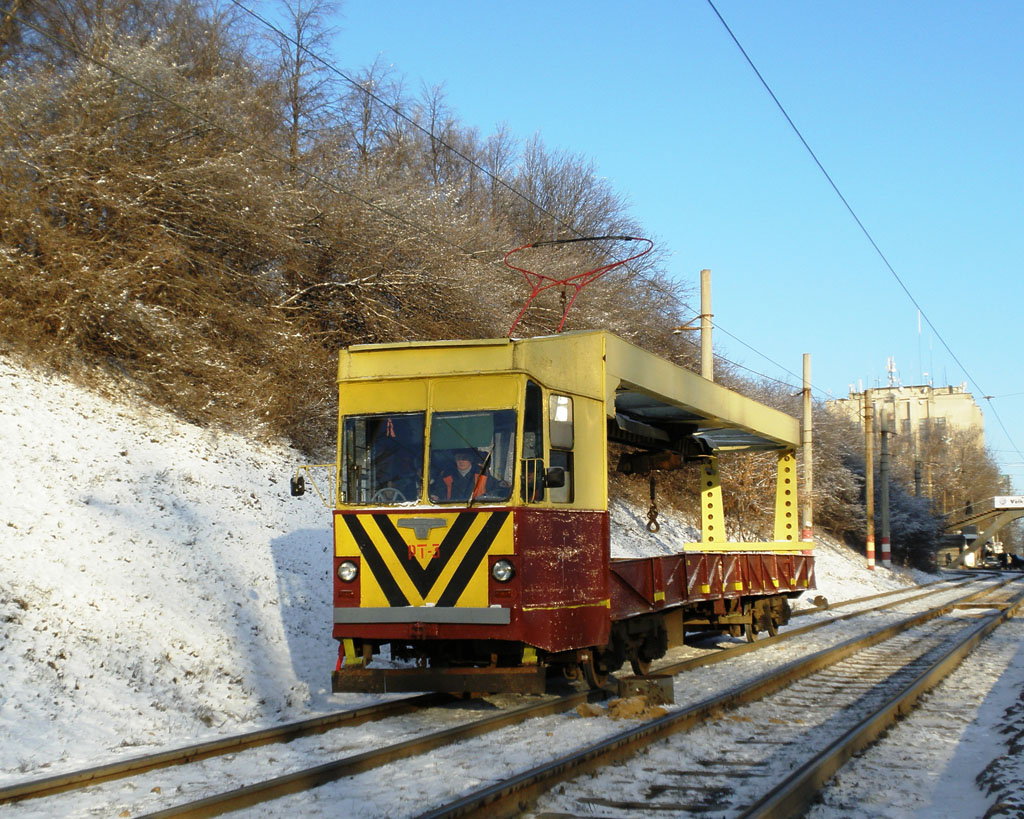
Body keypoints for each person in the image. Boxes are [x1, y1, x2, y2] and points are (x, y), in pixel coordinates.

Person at [431, 448, 508, 502]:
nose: (461, 461)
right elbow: (438, 492)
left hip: (476, 511)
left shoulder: (482, 473)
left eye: (465, 458)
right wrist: (435, 496)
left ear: (471, 459)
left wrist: (501, 484)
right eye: (458, 458)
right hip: (452, 510)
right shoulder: (446, 474)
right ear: (455, 460)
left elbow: (494, 487)